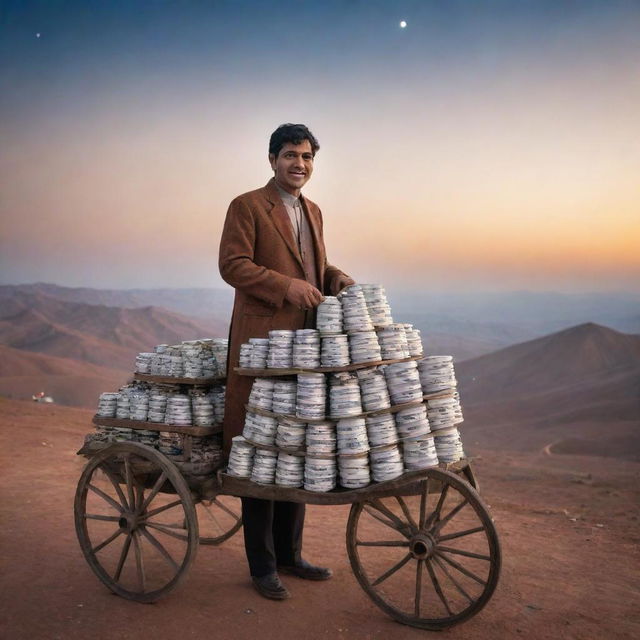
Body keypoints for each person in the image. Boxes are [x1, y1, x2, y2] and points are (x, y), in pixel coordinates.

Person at [218, 123, 354, 600]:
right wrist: (285, 286)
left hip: (306, 349)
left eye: (307, 156)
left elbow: (314, 268)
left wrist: (336, 278)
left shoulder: (313, 210)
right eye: (291, 155)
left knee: (295, 444)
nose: (300, 164)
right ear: (272, 159)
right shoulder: (248, 205)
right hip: (262, 345)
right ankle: (262, 566)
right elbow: (232, 265)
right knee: (260, 445)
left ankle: (291, 555)